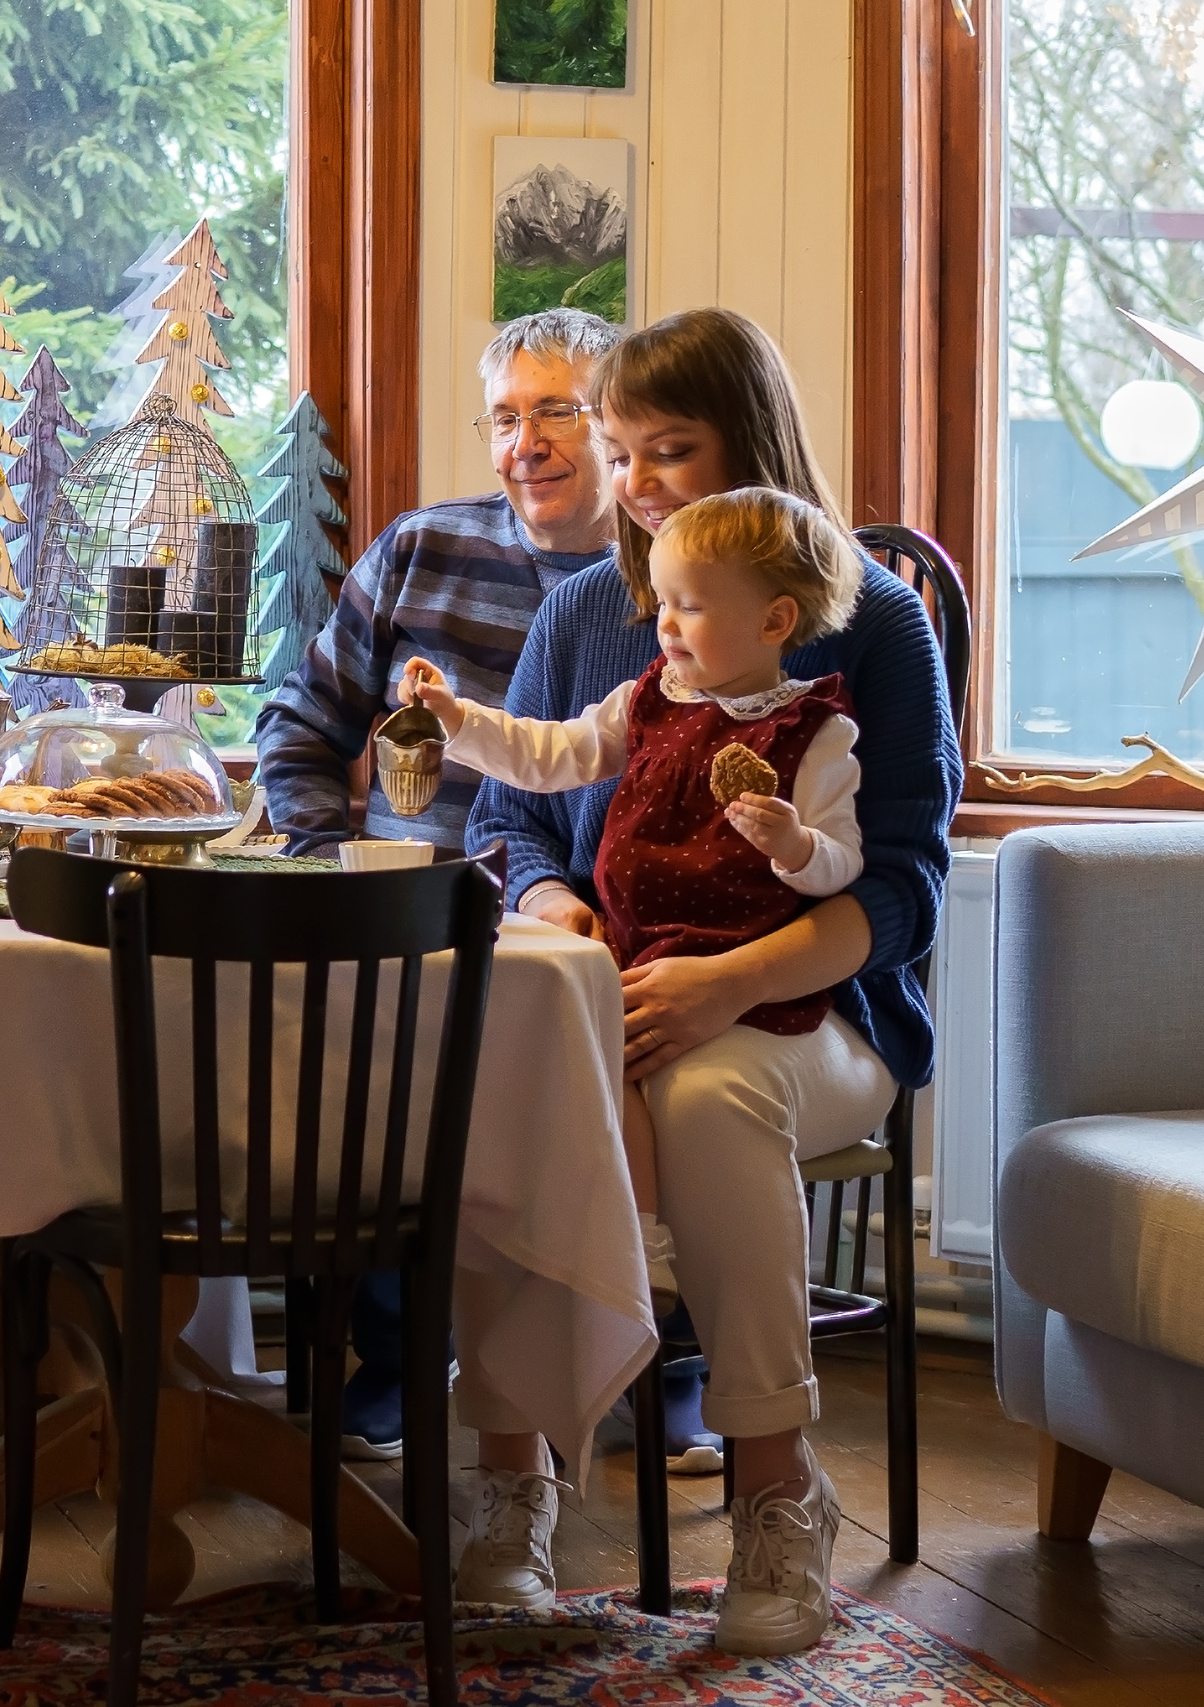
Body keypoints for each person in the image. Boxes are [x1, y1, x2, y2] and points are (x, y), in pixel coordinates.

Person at [462, 308, 959, 1654]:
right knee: (503, 1077)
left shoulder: (878, 622)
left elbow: (906, 882)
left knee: (718, 1091)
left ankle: (775, 1488)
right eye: (621, 453)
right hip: (606, 991)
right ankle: (513, 1477)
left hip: (819, 1006)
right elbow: (501, 820)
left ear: (754, 445)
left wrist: (731, 981)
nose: (636, 483)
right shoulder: (584, 616)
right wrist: (548, 898)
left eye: (669, 449)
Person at [252, 308, 725, 1466]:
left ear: (613, 432)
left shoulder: (684, 582)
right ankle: (399, 1358)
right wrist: (325, 865)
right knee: (369, 1047)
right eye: (506, 417)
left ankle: (670, 1363)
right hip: (411, 917)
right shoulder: (420, 549)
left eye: (557, 412)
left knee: (654, 1053)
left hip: (610, 924)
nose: (529, 443)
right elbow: (299, 726)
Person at [401, 486, 871, 1324]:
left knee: (623, 1067)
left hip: (739, 976)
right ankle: (641, 1244)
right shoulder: (647, 698)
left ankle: (644, 1255)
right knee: (579, 1059)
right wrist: (458, 719)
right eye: (662, 603)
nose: (666, 625)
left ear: (773, 622)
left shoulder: (814, 735)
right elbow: (551, 753)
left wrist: (793, 844)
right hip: (637, 953)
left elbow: (844, 865)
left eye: (691, 607)